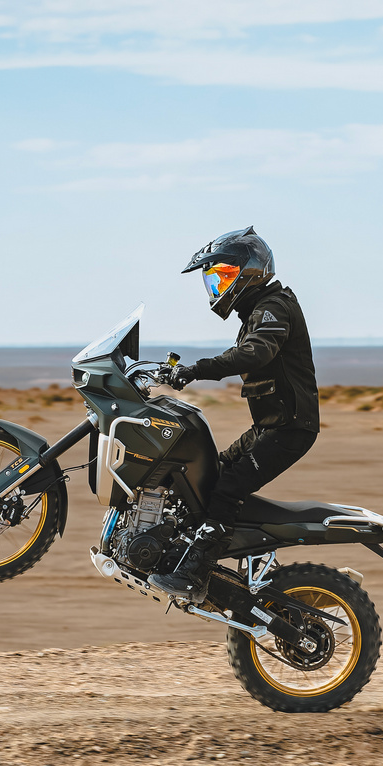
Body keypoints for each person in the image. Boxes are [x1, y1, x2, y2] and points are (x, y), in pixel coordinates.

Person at [148, 227, 320, 602]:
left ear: (250, 272)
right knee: (211, 472)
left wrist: (196, 370)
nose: (216, 285)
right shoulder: (258, 310)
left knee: (228, 488)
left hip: (289, 429)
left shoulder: (274, 308)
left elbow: (254, 353)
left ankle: (196, 568)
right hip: (268, 427)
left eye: (223, 275)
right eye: (213, 278)